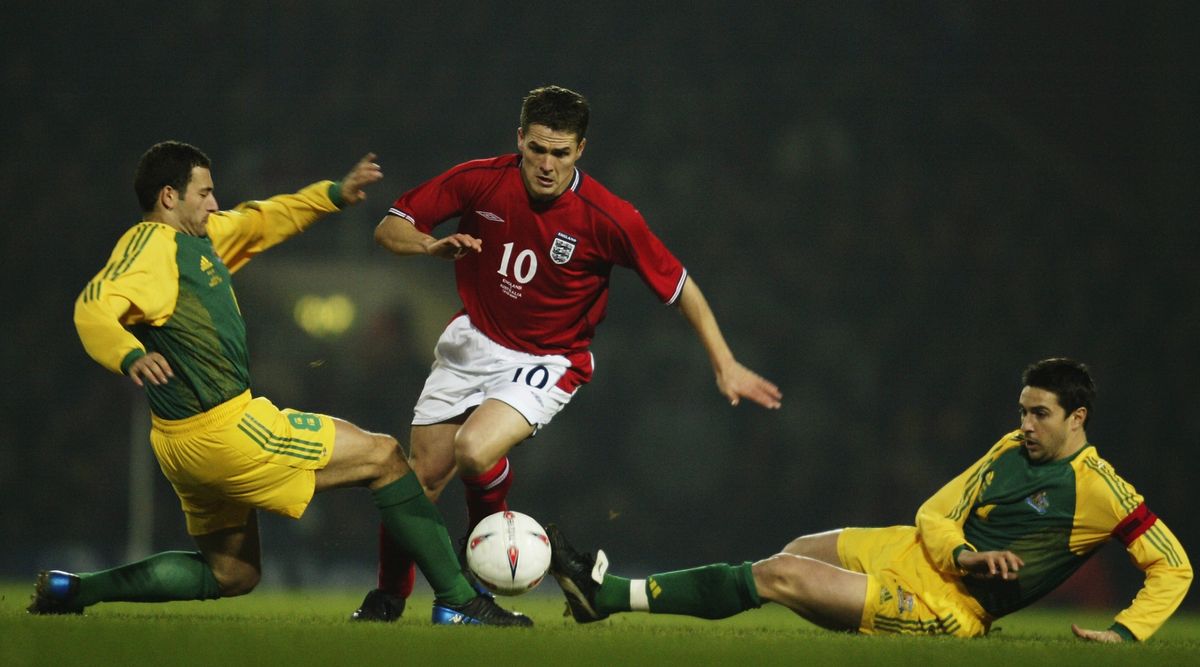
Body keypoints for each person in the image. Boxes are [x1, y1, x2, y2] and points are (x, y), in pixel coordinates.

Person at [28, 141, 530, 626]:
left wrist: (332, 194)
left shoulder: (198, 239)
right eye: (203, 193)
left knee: (233, 573)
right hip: (228, 430)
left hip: (180, 443)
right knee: (385, 457)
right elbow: (92, 307)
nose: (213, 203)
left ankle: (76, 589)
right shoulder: (151, 247)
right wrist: (129, 354)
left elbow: (260, 219)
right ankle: (459, 600)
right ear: (167, 197)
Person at [353, 84, 783, 621]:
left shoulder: (609, 216)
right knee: (421, 477)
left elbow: (681, 288)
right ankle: (389, 597)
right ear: (520, 141)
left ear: (580, 150)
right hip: (473, 339)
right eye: (537, 149)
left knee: (474, 450)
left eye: (561, 152)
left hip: (548, 359)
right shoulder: (480, 180)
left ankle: (474, 589)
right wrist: (428, 245)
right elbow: (390, 227)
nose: (547, 164)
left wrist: (725, 362)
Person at [546, 358, 1193, 641]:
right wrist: (965, 550)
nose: (1026, 424)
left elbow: (1175, 565)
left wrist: (1127, 631)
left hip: (950, 604)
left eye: (1041, 414)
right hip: (918, 552)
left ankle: (609, 596)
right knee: (794, 552)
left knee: (777, 575)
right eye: (1023, 410)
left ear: (1077, 417)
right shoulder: (1008, 448)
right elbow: (936, 512)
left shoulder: (1103, 489)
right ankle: (615, 599)